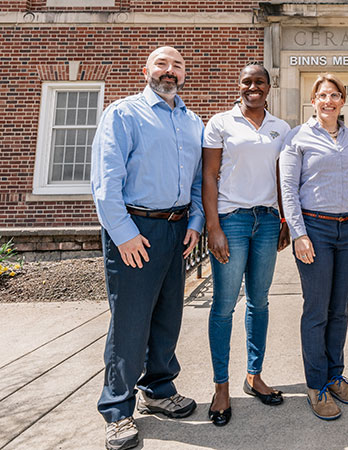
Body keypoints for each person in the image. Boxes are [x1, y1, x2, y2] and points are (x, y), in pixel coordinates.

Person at [91, 46, 204, 450]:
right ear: (147, 70)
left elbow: (196, 182)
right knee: (131, 321)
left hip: (176, 231)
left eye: (177, 65)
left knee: (167, 316)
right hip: (135, 229)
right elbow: (106, 179)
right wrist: (122, 233)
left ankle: (158, 389)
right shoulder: (123, 114)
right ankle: (118, 411)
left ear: (184, 74)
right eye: (162, 64)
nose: (169, 71)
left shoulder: (192, 122)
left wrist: (195, 222)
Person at [202, 63, 291, 427]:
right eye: (247, 82)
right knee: (224, 306)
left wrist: (285, 219)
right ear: (239, 86)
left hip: (268, 221)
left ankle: (254, 376)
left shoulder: (280, 128)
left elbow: (282, 176)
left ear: (269, 87)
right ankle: (221, 386)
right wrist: (213, 226)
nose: (253, 87)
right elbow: (208, 174)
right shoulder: (220, 123)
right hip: (232, 220)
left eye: (260, 82)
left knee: (260, 301)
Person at [279, 73, 348, 421]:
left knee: (340, 309)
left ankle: (335, 374)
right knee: (316, 310)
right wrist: (299, 234)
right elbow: (288, 189)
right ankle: (316, 385)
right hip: (315, 229)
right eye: (322, 95)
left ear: (342, 101)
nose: (328, 101)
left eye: (335, 95)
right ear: (313, 100)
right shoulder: (296, 137)